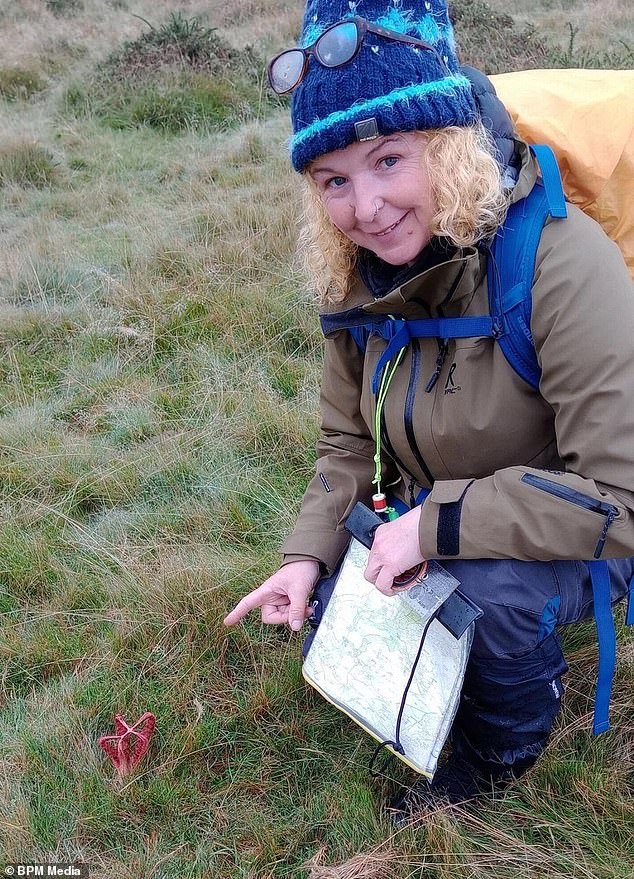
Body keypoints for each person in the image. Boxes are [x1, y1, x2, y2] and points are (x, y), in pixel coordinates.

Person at [224, 0, 634, 822]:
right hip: (443, 507)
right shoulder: (359, 277)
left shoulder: (557, 259)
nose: (365, 209)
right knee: (338, 598)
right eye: (333, 180)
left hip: (579, 523)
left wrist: (433, 528)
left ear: (446, 147)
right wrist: (307, 556)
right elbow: (348, 446)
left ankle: (497, 752)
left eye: (387, 161)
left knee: (485, 591)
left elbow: (620, 499)